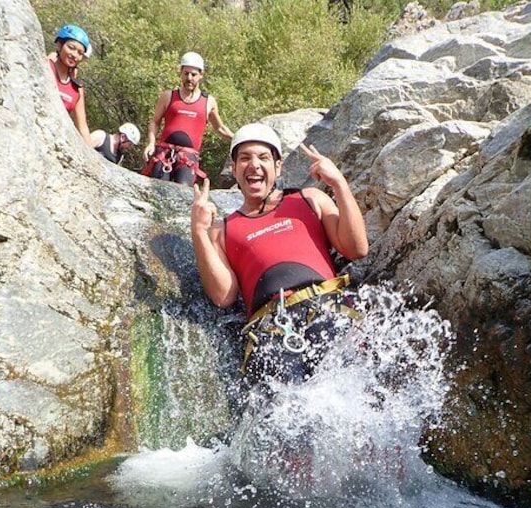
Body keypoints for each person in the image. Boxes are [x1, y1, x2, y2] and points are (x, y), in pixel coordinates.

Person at [191, 123, 369, 386]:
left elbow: (357, 249)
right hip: (271, 332)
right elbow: (223, 296)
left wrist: (339, 184)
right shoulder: (221, 231)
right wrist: (198, 230)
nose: (253, 165)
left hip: (327, 311)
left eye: (263, 158)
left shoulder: (310, 199)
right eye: (244, 158)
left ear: (278, 167)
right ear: (234, 169)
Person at [142, 51, 233, 186]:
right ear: (181, 73)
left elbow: (220, 128)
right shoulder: (168, 96)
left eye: (193, 74)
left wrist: (239, 138)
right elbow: (155, 122)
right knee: (157, 188)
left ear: (201, 75)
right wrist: (150, 143)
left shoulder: (208, 102)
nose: (189, 78)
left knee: (183, 192)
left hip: (188, 158)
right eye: (186, 73)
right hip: (164, 153)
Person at [47, 24, 94, 146]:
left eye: (80, 52)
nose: (74, 55)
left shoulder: (76, 89)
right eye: (71, 47)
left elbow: (83, 127)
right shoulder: (45, 67)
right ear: (59, 45)